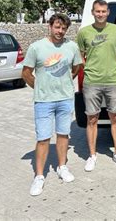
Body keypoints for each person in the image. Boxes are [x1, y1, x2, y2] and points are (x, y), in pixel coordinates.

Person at [22, 14, 82, 196]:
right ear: (50, 26)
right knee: (43, 138)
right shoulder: (36, 47)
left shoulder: (71, 47)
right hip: (43, 101)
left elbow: (77, 67)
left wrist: (63, 83)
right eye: (57, 27)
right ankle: (39, 176)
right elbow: (26, 73)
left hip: (65, 99)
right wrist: (40, 87)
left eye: (63, 28)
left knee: (64, 134)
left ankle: (62, 167)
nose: (60, 31)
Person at [76, 0, 116, 171]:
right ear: (93, 12)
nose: (100, 14)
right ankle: (92, 155)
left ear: (108, 12)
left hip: (113, 80)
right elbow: (80, 56)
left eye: (103, 11)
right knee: (92, 119)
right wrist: (89, 68)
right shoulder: (84, 32)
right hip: (92, 82)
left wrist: (115, 64)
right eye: (97, 11)